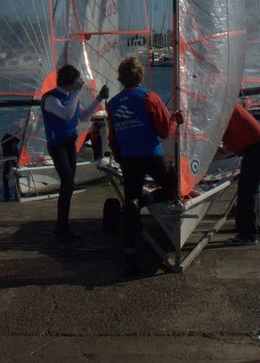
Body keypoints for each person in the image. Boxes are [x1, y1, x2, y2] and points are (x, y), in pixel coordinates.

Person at [106, 55, 179, 275]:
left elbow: (112, 138)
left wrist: (120, 157)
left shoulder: (113, 104)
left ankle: (129, 257)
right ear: (140, 75)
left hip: (128, 158)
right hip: (150, 154)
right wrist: (175, 120)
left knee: (130, 203)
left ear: (120, 77)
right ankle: (146, 201)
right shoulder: (149, 97)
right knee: (172, 187)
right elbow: (165, 130)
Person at [40, 64, 109, 243]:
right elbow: (65, 114)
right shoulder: (50, 99)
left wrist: (99, 98)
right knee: (68, 182)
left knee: (68, 185)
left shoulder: (70, 97)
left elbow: (82, 115)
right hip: (57, 145)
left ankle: (63, 225)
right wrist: (77, 92)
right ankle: (61, 227)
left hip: (69, 142)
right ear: (70, 82)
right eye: (77, 81)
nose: (79, 83)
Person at [223, 104, 260, 244]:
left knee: (246, 191)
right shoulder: (226, 105)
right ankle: (257, 231)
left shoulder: (221, 109)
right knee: (252, 191)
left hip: (255, 146)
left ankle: (248, 235)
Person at [0, 118, 26, 202]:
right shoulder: (28, 124)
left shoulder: (22, 121)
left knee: (8, 166)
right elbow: (28, 140)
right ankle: (18, 191)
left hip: (5, 140)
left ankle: (7, 192)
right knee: (17, 165)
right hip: (10, 142)